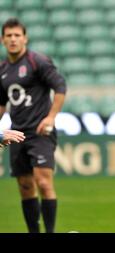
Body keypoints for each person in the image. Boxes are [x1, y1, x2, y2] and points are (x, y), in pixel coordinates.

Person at [0, 18, 67, 233]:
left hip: (40, 132)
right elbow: (2, 104)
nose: (13, 39)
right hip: (17, 133)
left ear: (25, 38)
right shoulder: (2, 70)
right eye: (9, 36)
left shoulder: (38, 61)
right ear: (3, 40)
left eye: (17, 35)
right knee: (25, 186)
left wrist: (51, 117)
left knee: (44, 182)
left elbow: (60, 87)